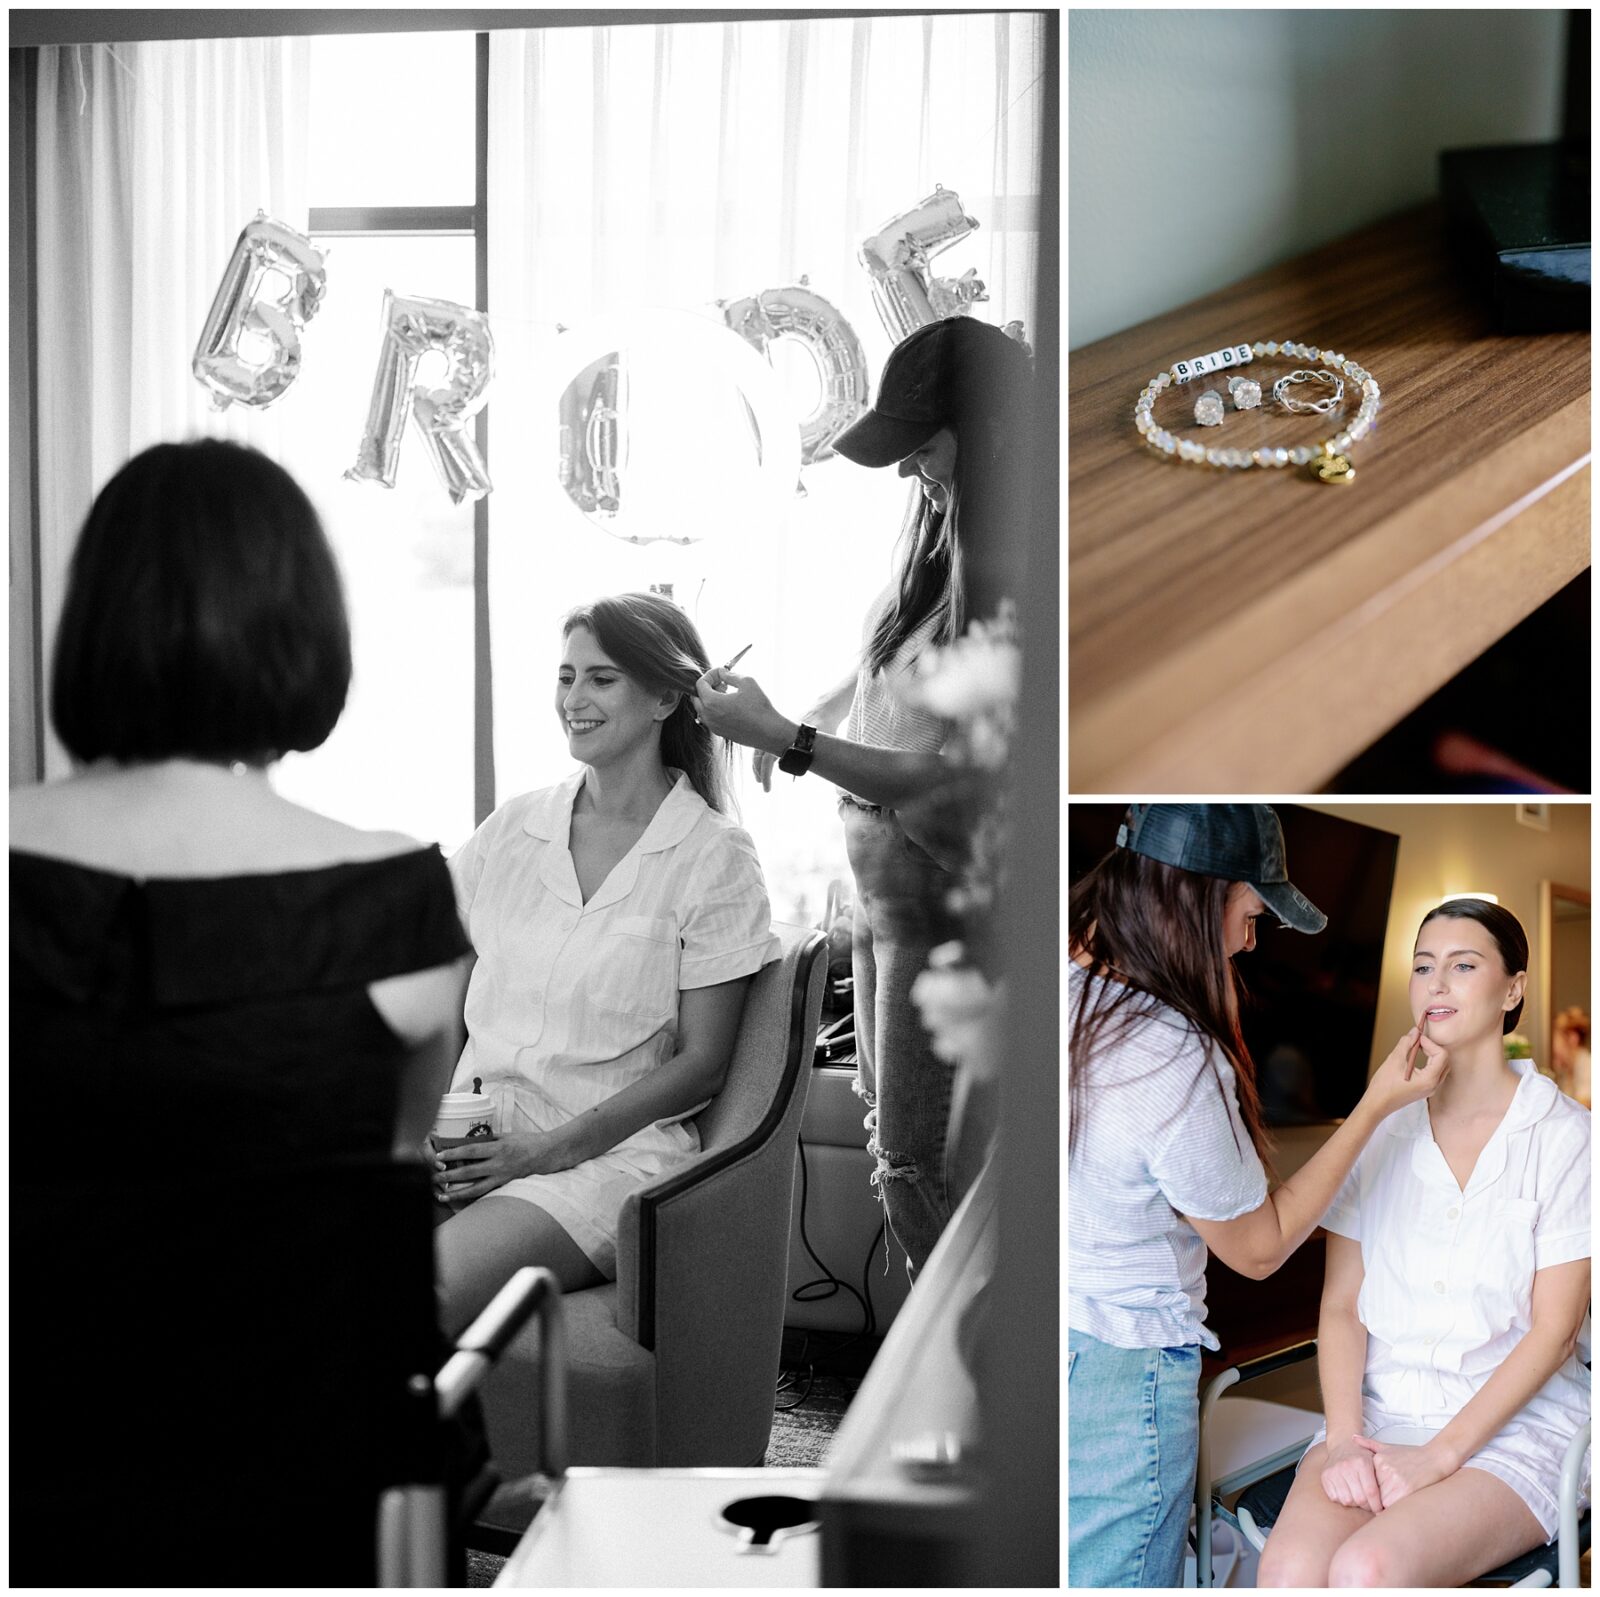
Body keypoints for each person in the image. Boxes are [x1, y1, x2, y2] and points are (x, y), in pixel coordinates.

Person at [10, 439, 472, 1584]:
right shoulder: (396, 894)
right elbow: (391, 1167)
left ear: (94, 624)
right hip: (313, 1488)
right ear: (303, 630)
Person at [695, 314, 1034, 1277]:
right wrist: (815, 706)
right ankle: (945, 1369)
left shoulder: (1015, 564)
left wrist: (792, 742)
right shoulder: (943, 529)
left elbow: (952, 776)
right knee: (895, 1142)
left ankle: (966, 1378)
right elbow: (889, 672)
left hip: (939, 901)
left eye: (922, 446)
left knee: (917, 1164)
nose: (908, 471)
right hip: (888, 893)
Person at [1067, 804, 1451, 1589]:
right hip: (1119, 1366)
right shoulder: (1167, 1050)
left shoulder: (1067, 981)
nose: (1251, 939)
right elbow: (1261, 1245)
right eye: (1251, 912)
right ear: (1199, 897)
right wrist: (1376, 1105)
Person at [433, 592, 778, 1333]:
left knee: (414, 1293)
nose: (574, 698)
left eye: (601, 678)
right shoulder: (513, 828)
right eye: (566, 676)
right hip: (470, 1141)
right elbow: (431, 976)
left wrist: (544, 1151)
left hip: (600, 1161)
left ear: (663, 697)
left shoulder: (713, 855)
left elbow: (704, 1064)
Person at [1256, 899, 1591, 1588]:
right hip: (1378, 1413)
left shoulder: (1568, 1138)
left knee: (1367, 1568)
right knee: (1287, 1571)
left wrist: (1438, 1458)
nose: (1436, 982)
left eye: (1463, 965)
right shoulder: (1379, 1130)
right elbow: (1343, 1307)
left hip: (1511, 1430)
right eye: (1423, 966)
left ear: (1513, 988)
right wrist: (1346, 1437)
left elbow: (1555, 1332)